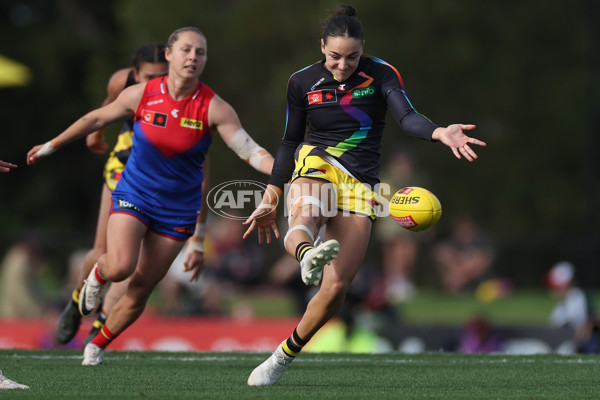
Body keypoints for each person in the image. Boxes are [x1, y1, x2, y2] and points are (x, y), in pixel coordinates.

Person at [242, 4, 486, 386]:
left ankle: (280, 358)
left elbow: (407, 117)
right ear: (322, 46)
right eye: (335, 56)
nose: (343, 65)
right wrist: (272, 194)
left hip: (362, 185)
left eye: (352, 57)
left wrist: (439, 132)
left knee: (337, 288)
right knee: (306, 214)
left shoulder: (381, 72)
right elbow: (290, 142)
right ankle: (307, 256)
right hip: (317, 161)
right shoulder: (301, 81)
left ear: (363, 49)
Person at [27, 26, 274, 365]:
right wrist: (51, 145)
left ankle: (95, 346)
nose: (192, 57)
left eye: (200, 53)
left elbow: (248, 149)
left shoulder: (214, 107)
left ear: (204, 61)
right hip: (135, 193)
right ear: (169, 54)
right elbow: (96, 117)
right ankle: (95, 280)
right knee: (120, 265)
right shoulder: (141, 92)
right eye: (186, 50)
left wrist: (281, 170)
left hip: (177, 210)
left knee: (140, 290)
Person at [55, 43, 169, 347]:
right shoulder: (122, 81)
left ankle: (102, 323)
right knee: (101, 251)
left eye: (161, 76)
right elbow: (106, 108)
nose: (153, 83)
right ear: (134, 74)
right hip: (124, 164)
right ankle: (76, 303)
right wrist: (96, 135)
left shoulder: (184, 90)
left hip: (161, 177)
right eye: (147, 76)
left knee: (131, 264)